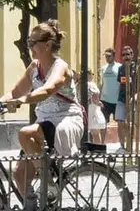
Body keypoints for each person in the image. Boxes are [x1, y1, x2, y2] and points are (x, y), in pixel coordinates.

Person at [0, 20, 84, 198]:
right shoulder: (34, 67)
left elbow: (47, 90)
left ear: (47, 45)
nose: (29, 46)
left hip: (65, 120)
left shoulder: (60, 66)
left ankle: (49, 184)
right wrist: (2, 102)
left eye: (32, 43)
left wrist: (22, 100)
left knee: (25, 133)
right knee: (19, 174)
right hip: (43, 123)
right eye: (28, 42)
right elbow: (15, 92)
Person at [115, 46, 140, 154]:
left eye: (128, 54)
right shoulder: (121, 69)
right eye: (123, 55)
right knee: (120, 122)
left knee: (137, 123)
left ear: (132, 56)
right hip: (121, 99)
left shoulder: (137, 68)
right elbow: (120, 84)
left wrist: (136, 95)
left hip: (134, 99)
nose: (126, 57)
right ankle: (122, 146)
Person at [98, 48, 121, 145]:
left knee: (121, 124)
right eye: (106, 56)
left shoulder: (120, 67)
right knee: (103, 123)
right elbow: (101, 84)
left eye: (109, 56)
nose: (107, 58)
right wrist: (98, 98)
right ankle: (102, 145)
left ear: (113, 56)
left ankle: (122, 145)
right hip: (105, 100)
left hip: (117, 100)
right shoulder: (103, 68)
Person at [85, 71, 106, 144]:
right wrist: (98, 102)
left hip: (92, 108)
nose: (92, 76)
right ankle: (97, 148)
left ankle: (97, 148)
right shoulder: (90, 84)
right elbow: (95, 95)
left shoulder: (89, 84)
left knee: (94, 131)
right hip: (92, 108)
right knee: (95, 131)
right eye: (91, 74)